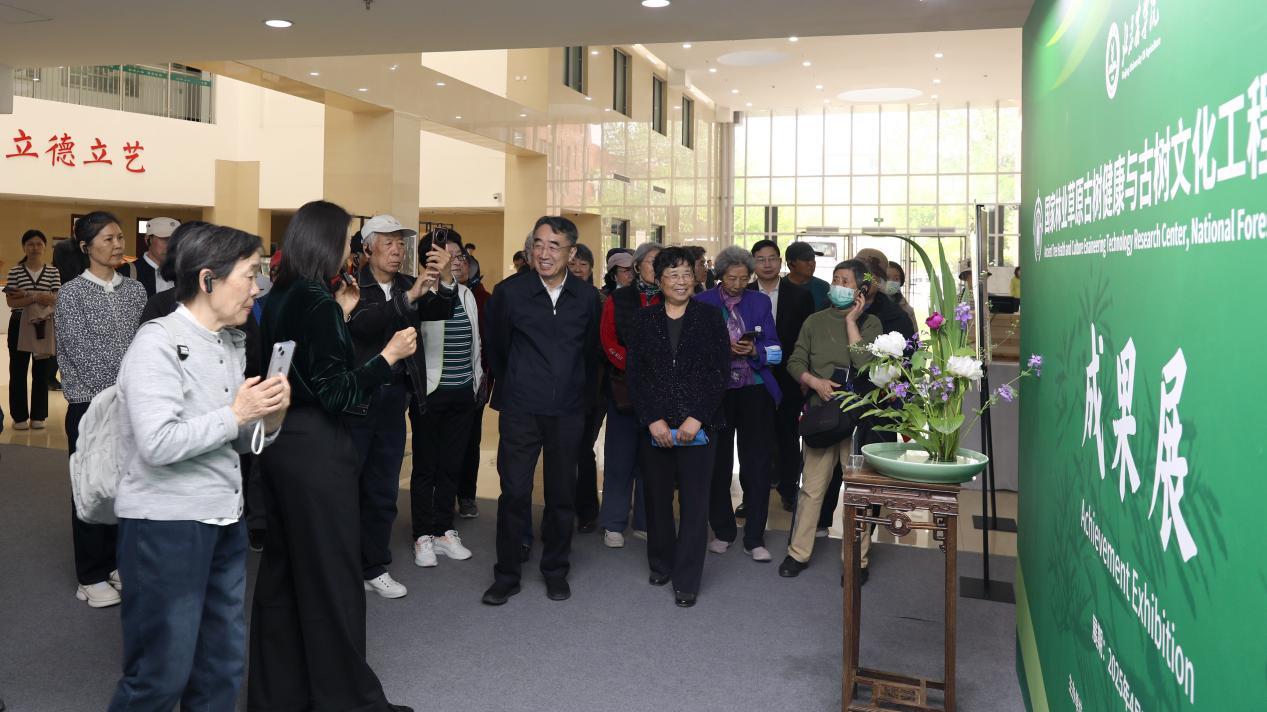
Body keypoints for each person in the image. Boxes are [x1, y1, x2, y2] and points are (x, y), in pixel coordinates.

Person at [108, 224, 290, 710]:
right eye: (249, 275)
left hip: (223, 518)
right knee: (159, 676)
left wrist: (269, 418)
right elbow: (158, 443)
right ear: (208, 280)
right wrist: (237, 413)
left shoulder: (228, 343)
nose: (257, 289)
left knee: (220, 668)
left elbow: (239, 439)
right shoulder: (157, 343)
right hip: (165, 526)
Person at [248, 200, 418, 712]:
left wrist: (340, 316)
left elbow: (293, 365)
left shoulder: (283, 294)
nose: (350, 250)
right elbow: (337, 392)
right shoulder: (317, 301)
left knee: (283, 578)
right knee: (332, 580)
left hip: (282, 443)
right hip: (318, 450)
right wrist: (388, 357)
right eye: (346, 240)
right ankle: (345, 700)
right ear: (326, 243)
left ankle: (280, 696)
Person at [481, 216, 601, 606]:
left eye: (554, 246)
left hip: (567, 410)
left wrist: (576, 393)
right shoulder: (509, 293)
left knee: (561, 495)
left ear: (571, 252)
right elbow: (496, 348)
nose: (544, 253)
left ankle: (555, 570)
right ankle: (506, 575)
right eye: (539, 244)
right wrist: (518, 382)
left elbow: (590, 354)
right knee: (514, 492)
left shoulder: (587, 297)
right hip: (521, 408)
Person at [345, 215, 455, 600]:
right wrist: (408, 300)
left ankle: (374, 566)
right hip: (357, 401)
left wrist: (444, 279)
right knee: (349, 486)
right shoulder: (351, 286)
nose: (397, 250)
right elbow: (361, 325)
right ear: (368, 247)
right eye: (388, 243)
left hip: (394, 399)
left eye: (401, 244)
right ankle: (343, 565)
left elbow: (441, 310)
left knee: (383, 488)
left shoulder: (409, 283)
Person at [626, 247, 730, 608]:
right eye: (672, 274)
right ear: (659, 279)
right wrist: (652, 418)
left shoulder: (710, 317)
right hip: (655, 426)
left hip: (698, 426)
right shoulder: (643, 320)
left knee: (695, 504)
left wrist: (697, 416)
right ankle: (661, 562)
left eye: (687, 273)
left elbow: (720, 372)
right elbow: (635, 375)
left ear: (696, 277)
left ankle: (687, 579)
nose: (681, 281)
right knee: (656, 500)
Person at [55, 211, 149, 608]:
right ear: (86, 246)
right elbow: (81, 355)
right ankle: (90, 575)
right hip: (90, 406)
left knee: (125, 487)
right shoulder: (72, 294)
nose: (117, 245)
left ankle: (117, 563)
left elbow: (145, 345)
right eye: (108, 239)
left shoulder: (136, 291)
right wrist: (126, 384)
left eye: (119, 237)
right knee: (92, 488)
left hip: (130, 406)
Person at [780, 259, 882, 581]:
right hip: (821, 414)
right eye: (835, 279)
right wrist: (814, 382)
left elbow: (866, 364)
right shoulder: (814, 321)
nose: (838, 285)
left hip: (856, 418)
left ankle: (856, 560)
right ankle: (798, 553)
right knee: (811, 488)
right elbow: (795, 360)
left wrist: (852, 320)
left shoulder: (871, 323)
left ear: (860, 289)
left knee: (857, 491)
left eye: (845, 281)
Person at [693, 246, 782, 562]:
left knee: (756, 464)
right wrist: (723, 349)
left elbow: (776, 349)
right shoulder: (702, 302)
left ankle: (755, 536)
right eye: (732, 278)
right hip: (717, 392)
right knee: (717, 464)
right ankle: (723, 530)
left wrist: (755, 351)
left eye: (744, 278)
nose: (738, 284)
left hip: (754, 390)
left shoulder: (759, 301)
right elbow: (693, 351)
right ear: (721, 275)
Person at [410, 231, 482, 571]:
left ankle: (443, 529)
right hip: (429, 391)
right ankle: (422, 534)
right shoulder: (419, 292)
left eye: (457, 255)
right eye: (446, 254)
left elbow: (476, 343)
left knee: (452, 464)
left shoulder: (467, 294)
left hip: (462, 392)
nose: (454, 260)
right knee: (426, 465)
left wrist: (476, 382)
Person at [597, 242, 662, 548]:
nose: (657, 268)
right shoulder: (619, 298)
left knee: (653, 459)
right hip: (624, 388)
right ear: (637, 266)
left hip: (660, 391)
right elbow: (607, 339)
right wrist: (633, 365)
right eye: (651, 262)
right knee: (620, 458)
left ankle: (646, 521)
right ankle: (613, 522)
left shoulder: (672, 298)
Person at [747, 239, 814, 512]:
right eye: (760, 259)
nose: (767, 264)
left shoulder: (800, 296)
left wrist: (804, 376)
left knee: (787, 435)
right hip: (752, 376)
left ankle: (789, 490)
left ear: (780, 262)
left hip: (788, 375)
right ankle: (753, 497)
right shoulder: (744, 293)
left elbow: (807, 340)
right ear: (752, 263)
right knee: (754, 439)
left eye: (772, 258)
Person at [6, 229, 61, 430]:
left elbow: (56, 298)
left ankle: (38, 416)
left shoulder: (53, 272)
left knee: (41, 371)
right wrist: (37, 297)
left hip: (43, 324)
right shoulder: (15, 271)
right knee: (18, 371)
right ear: (24, 247)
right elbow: (11, 301)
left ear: (44, 247)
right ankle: (19, 417)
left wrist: (26, 295)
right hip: (19, 324)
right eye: (30, 244)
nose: (35, 247)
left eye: (39, 244)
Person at [566, 242, 603, 531]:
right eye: (573, 263)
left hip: (592, 388)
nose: (578, 269)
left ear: (591, 269)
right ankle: (562, 510)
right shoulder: (556, 299)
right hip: (561, 389)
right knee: (561, 453)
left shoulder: (599, 300)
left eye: (584, 264)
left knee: (583, 450)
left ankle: (588, 511)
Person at [456, 240, 493, 520]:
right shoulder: (433, 293)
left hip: (475, 382)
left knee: (470, 441)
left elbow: (490, 343)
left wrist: (484, 380)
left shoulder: (484, 299)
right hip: (442, 382)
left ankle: (466, 495)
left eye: (464, 262)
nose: (459, 266)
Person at [119, 217, 179, 297]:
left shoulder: (183, 274)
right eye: (165, 239)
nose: (170, 245)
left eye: (175, 241)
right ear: (148, 239)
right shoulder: (127, 272)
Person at [784, 241, 830, 310]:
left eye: (813, 259)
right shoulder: (779, 287)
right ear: (790, 263)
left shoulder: (824, 287)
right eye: (805, 259)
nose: (811, 263)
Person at [886, 260, 918, 331]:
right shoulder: (868, 305)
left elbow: (915, 336)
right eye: (887, 278)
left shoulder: (907, 310)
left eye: (896, 279)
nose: (891, 282)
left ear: (901, 282)